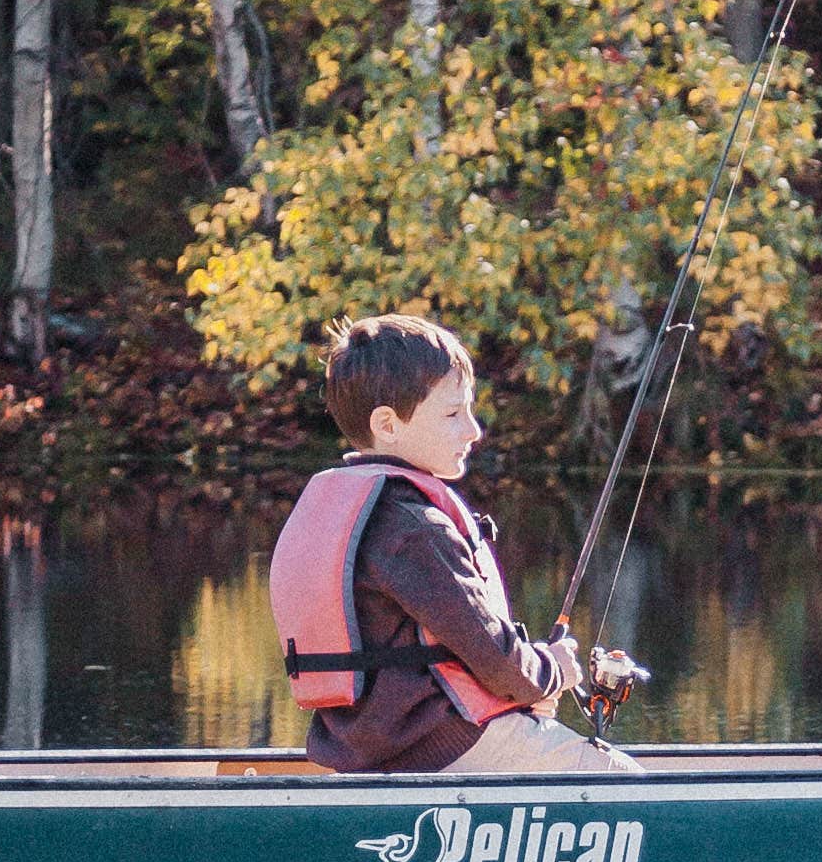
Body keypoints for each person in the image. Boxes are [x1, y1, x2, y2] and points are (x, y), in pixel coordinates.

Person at [269, 310, 641, 775]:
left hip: (365, 751)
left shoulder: (363, 513)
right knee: (625, 782)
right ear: (387, 425)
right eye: (452, 414)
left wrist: (529, 688)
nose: (473, 430)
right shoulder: (413, 527)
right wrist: (552, 671)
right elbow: (492, 654)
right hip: (445, 744)